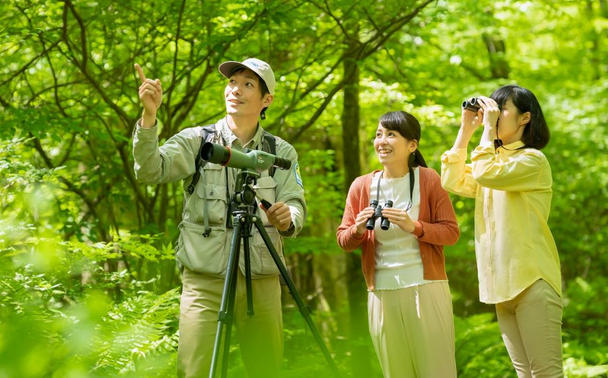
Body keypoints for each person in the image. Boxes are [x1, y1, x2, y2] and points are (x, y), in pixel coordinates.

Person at [132, 58, 306, 378]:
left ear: (266, 100)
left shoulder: (280, 152)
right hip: (205, 279)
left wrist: (288, 217)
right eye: (231, 82)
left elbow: (295, 202)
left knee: (265, 368)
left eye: (248, 84)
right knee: (196, 369)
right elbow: (150, 170)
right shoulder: (198, 141)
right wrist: (149, 116)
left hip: (262, 278)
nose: (235, 90)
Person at [440, 85, 562, 377]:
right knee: (524, 373)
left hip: (533, 281)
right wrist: (466, 130)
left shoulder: (532, 161)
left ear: (524, 118)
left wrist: (486, 133)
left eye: (501, 109)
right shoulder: (493, 161)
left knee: (546, 373)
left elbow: (484, 173)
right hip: (501, 288)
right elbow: (452, 180)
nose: (492, 116)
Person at [337, 111, 459, 378]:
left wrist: (414, 226)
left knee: (437, 372)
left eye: (391, 134)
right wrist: (358, 229)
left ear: (412, 145)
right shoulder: (361, 186)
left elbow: (451, 232)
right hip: (381, 292)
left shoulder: (429, 179)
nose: (382, 140)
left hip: (426, 288)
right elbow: (344, 240)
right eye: (378, 134)